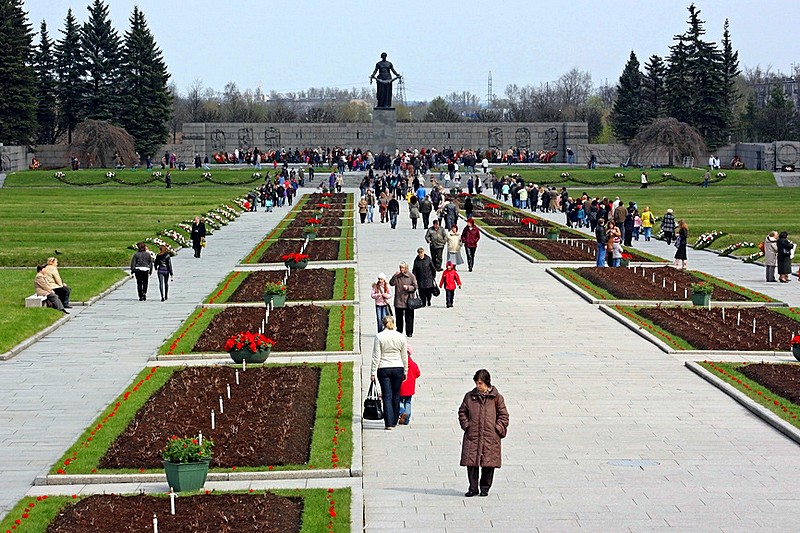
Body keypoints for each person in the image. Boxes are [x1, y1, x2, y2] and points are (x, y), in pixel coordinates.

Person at [458, 369, 509, 497]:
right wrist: (466, 425)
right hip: (473, 434)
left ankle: (485, 488)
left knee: (488, 462)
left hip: (490, 435)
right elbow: (462, 412)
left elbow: (504, 415)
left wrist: (497, 428)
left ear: (487, 383)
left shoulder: (497, 398)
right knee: (472, 462)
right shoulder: (469, 397)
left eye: (480, 383)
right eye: (476, 383)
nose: (478, 386)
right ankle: (473, 488)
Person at [370, 315, 408, 430]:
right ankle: (395, 418)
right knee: (396, 394)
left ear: (383, 324)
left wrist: (372, 372)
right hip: (398, 367)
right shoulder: (400, 336)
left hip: (384, 367)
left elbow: (376, 356)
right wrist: (405, 370)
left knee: (386, 395)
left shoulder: (379, 336)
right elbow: (404, 356)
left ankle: (389, 423)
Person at [389, 262, 418, 337]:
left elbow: (415, 287)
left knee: (409, 317)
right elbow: (391, 283)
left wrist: (408, 287)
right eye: (400, 267)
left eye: (402, 268)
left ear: (406, 268)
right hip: (399, 300)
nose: (401, 269)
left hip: (408, 300)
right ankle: (399, 331)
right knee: (399, 317)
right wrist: (394, 276)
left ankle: (409, 332)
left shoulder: (411, 276)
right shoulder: (398, 276)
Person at [398, 346, 420, 425]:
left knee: (399, 400)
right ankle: (406, 419)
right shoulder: (413, 364)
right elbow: (418, 373)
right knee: (408, 402)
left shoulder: (399, 364)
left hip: (400, 387)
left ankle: (402, 411)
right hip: (410, 388)